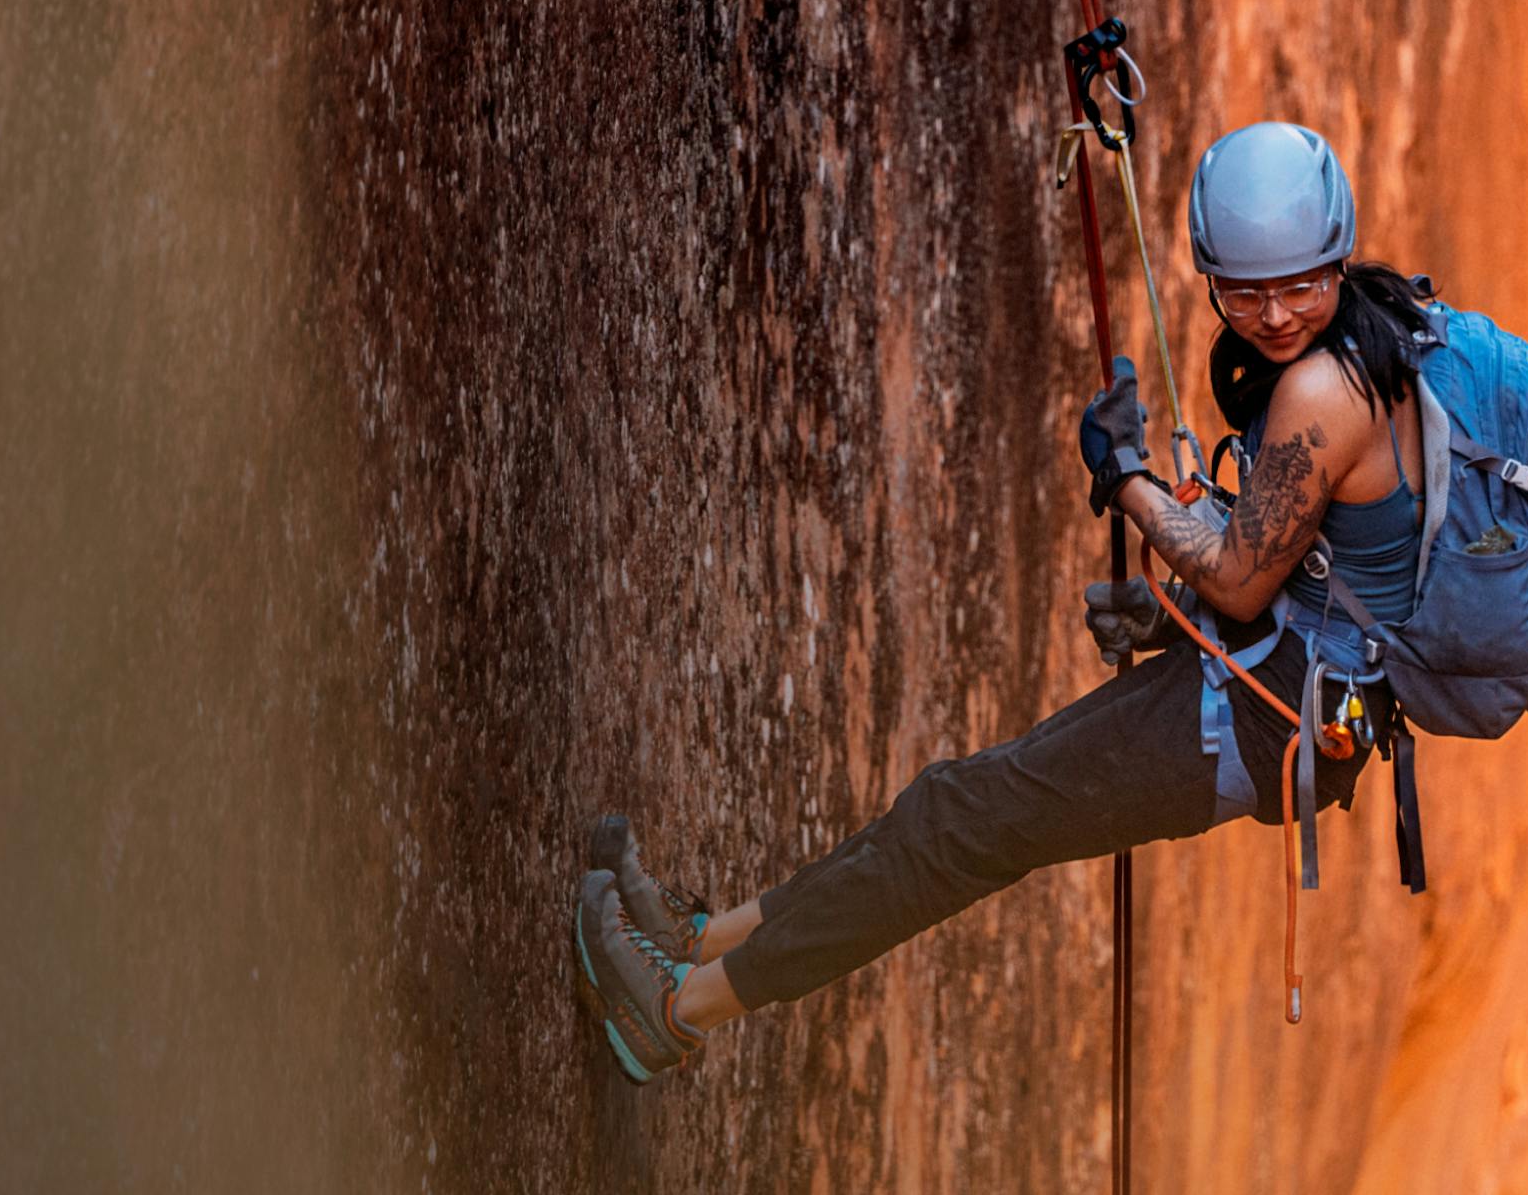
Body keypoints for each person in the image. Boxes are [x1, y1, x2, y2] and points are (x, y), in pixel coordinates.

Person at [572, 122, 1441, 1084]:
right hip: (1269, 681)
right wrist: (1170, 617)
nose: (1273, 314)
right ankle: (700, 942)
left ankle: (676, 1013)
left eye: (1296, 285)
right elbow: (1338, 561)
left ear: (1337, 255)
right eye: (1243, 290)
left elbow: (1240, 574)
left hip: (1260, 721)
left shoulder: (1328, 387)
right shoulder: (1375, 336)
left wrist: (1127, 478)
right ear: (1206, 271)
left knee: (962, 828)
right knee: (951, 808)